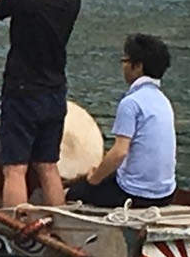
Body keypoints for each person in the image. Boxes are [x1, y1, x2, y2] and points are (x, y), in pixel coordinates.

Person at [0, 0, 81, 207]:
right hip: (54, 91)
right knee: (48, 165)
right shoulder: (73, 1)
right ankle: (59, 225)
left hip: (22, 91)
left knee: (15, 168)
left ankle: (17, 229)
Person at [67, 34, 176, 208]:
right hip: (166, 193)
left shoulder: (131, 102)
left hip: (134, 193)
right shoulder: (164, 102)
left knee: (74, 192)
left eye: (125, 61)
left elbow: (119, 152)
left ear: (138, 66)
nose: (123, 67)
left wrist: (93, 180)